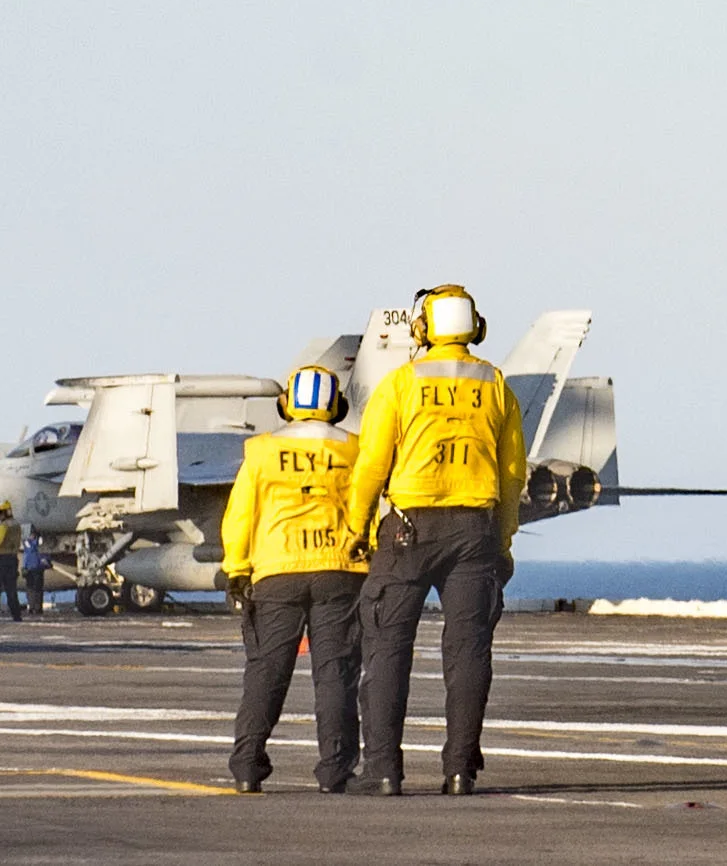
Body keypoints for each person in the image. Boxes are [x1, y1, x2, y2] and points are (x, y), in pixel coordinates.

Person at [342, 283, 526, 797]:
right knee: (468, 653)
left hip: (408, 530)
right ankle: (460, 771)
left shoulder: (402, 382)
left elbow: (372, 464)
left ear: (422, 329)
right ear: (475, 327)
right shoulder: (495, 385)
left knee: (387, 650)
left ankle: (383, 772)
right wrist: (504, 540)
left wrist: (357, 528)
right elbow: (513, 474)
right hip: (475, 531)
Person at [222, 363, 368, 793]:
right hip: (339, 572)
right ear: (336, 407)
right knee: (336, 674)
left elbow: (240, 516)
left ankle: (248, 767)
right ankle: (335, 770)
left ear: (287, 405)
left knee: (266, 672)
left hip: (277, 574)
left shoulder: (261, 451)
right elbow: (368, 509)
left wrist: (236, 569)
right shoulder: (354, 449)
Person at [18, 525, 49, 617]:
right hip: (31, 568)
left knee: (37, 589)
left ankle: (37, 607)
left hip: (36, 568)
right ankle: (32, 607)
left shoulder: (33, 543)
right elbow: (30, 549)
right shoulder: (28, 543)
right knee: (31, 589)